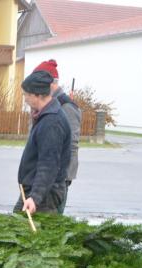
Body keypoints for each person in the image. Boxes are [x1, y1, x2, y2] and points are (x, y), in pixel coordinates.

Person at [16, 70, 72, 215]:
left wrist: (35, 197)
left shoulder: (52, 122)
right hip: (35, 191)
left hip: (44, 196)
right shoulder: (45, 116)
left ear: (38, 95)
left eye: (27, 95)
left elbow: (49, 164)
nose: (25, 99)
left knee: (30, 235)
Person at [33, 59, 81, 213]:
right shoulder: (45, 104)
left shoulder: (67, 106)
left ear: (51, 84)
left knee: (53, 224)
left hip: (58, 179)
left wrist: (61, 181)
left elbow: (72, 146)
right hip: (44, 176)